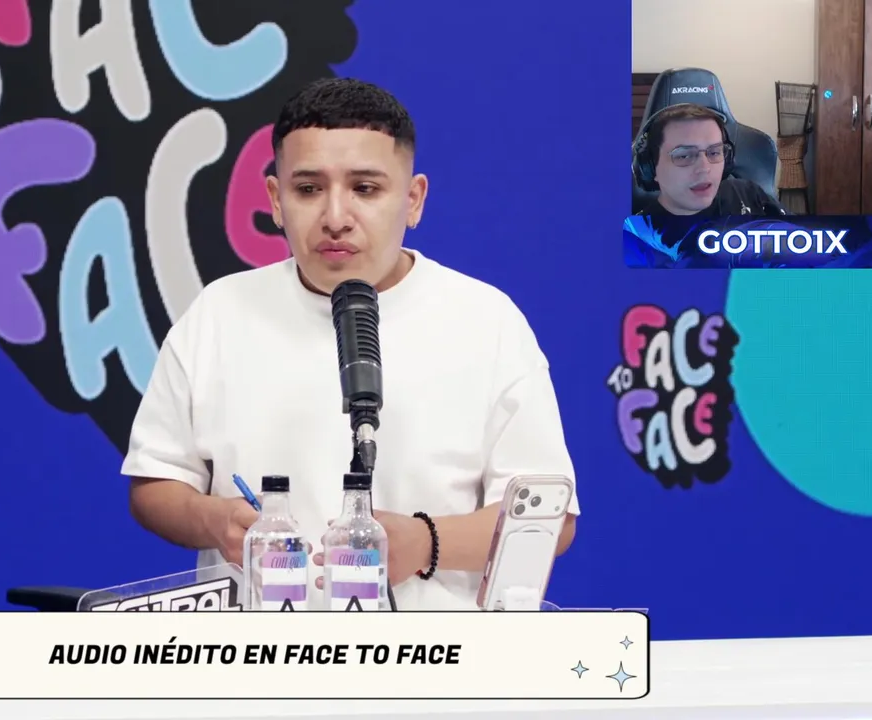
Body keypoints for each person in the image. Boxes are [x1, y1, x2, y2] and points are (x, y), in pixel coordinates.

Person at [122, 77, 579, 610]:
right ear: (275, 199)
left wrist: (426, 542)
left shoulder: (487, 321)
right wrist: (213, 520)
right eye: (308, 189)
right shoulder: (219, 313)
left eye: (365, 189)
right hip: (259, 650)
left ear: (413, 199)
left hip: (438, 654)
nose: (336, 219)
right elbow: (156, 484)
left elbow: (549, 520)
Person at [633, 103, 787, 220]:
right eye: (684, 156)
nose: (704, 168)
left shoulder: (747, 194)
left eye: (714, 152)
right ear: (650, 167)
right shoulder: (635, 241)